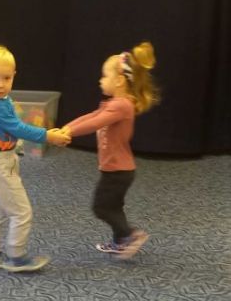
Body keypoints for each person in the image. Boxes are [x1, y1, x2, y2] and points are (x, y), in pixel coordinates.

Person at [0, 45, 70, 272]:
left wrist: (46, 134)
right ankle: (16, 257)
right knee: (21, 212)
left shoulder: (2, 99)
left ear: (14, 75)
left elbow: (15, 125)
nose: (0, 84)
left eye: (6, 78)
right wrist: (48, 136)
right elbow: (17, 128)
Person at [62, 42, 159, 259]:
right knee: (114, 207)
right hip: (117, 170)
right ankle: (119, 242)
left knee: (101, 207)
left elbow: (95, 123)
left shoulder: (122, 105)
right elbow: (91, 117)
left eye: (104, 76)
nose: (100, 80)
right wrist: (66, 128)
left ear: (119, 80)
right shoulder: (115, 103)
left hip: (118, 171)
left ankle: (130, 235)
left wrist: (69, 133)